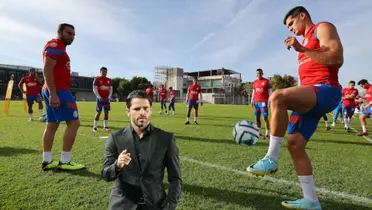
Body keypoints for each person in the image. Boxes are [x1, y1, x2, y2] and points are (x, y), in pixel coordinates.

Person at [247, 6, 343, 209]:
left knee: (277, 97)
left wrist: (303, 49)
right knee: (294, 145)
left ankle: (270, 159)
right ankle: (311, 200)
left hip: (327, 90)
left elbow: (336, 59)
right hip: (313, 96)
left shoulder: (322, 28)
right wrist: (302, 51)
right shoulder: (302, 47)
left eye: (291, 23)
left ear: (302, 16)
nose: (290, 28)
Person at [101, 90, 181, 210]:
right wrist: (117, 165)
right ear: (128, 111)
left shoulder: (166, 139)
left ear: (151, 110)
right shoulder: (115, 138)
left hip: (155, 205)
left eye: (146, 108)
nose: (142, 112)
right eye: (137, 109)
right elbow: (106, 174)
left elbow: (175, 178)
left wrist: (170, 205)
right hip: (122, 205)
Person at [41, 23, 85, 171]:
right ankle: (65, 161)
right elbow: (47, 68)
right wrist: (53, 93)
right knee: (74, 123)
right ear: (59, 32)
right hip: (58, 89)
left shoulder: (59, 47)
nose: (71, 37)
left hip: (53, 89)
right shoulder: (56, 44)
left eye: (73, 34)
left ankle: (47, 161)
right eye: (68, 33)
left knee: (52, 124)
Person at [251, 68, 272, 139]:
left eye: (260, 73)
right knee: (257, 118)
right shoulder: (255, 82)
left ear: (262, 73)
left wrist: (269, 101)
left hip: (263, 102)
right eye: (257, 73)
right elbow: (254, 92)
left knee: (265, 118)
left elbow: (270, 93)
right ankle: (259, 132)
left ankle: (267, 133)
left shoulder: (267, 81)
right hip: (256, 102)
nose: (258, 75)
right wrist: (252, 100)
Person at [92, 67, 112, 133]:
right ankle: (94, 127)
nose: (104, 73)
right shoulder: (97, 79)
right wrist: (99, 97)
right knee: (98, 112)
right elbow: (94, 89)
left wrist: (108, 97)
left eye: (105, 72)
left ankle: (105, 126)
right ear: (100, 72)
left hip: (107, 99)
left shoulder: (109, 80)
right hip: (100, 99)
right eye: (103, 71)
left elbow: (111, 89)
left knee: (106, 113)